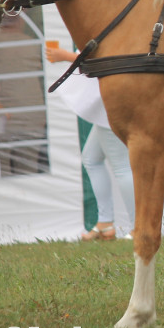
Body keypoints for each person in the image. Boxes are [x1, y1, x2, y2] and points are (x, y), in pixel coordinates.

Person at [47, 44, 135, 241]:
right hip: (104, 106)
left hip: (107, 105)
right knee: (91, 159)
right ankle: (105, 223)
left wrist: (64, 55)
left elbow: (97, 60)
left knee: (121, 167)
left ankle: (138, 227)